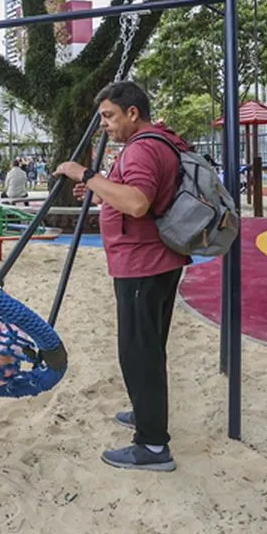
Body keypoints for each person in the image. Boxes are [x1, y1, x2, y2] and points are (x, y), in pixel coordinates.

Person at [56, 81, 188, 473]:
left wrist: (87, 174)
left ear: (133, 113)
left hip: (143, 263)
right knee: (149, 345)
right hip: (159, 259)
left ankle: (151, 446)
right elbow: (133, 193)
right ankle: (147, 413)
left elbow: (137, 202)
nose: (104, 125)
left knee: (137, 351)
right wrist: (101, 191)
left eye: (109, 116)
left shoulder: (143, 146)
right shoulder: (162, 140)